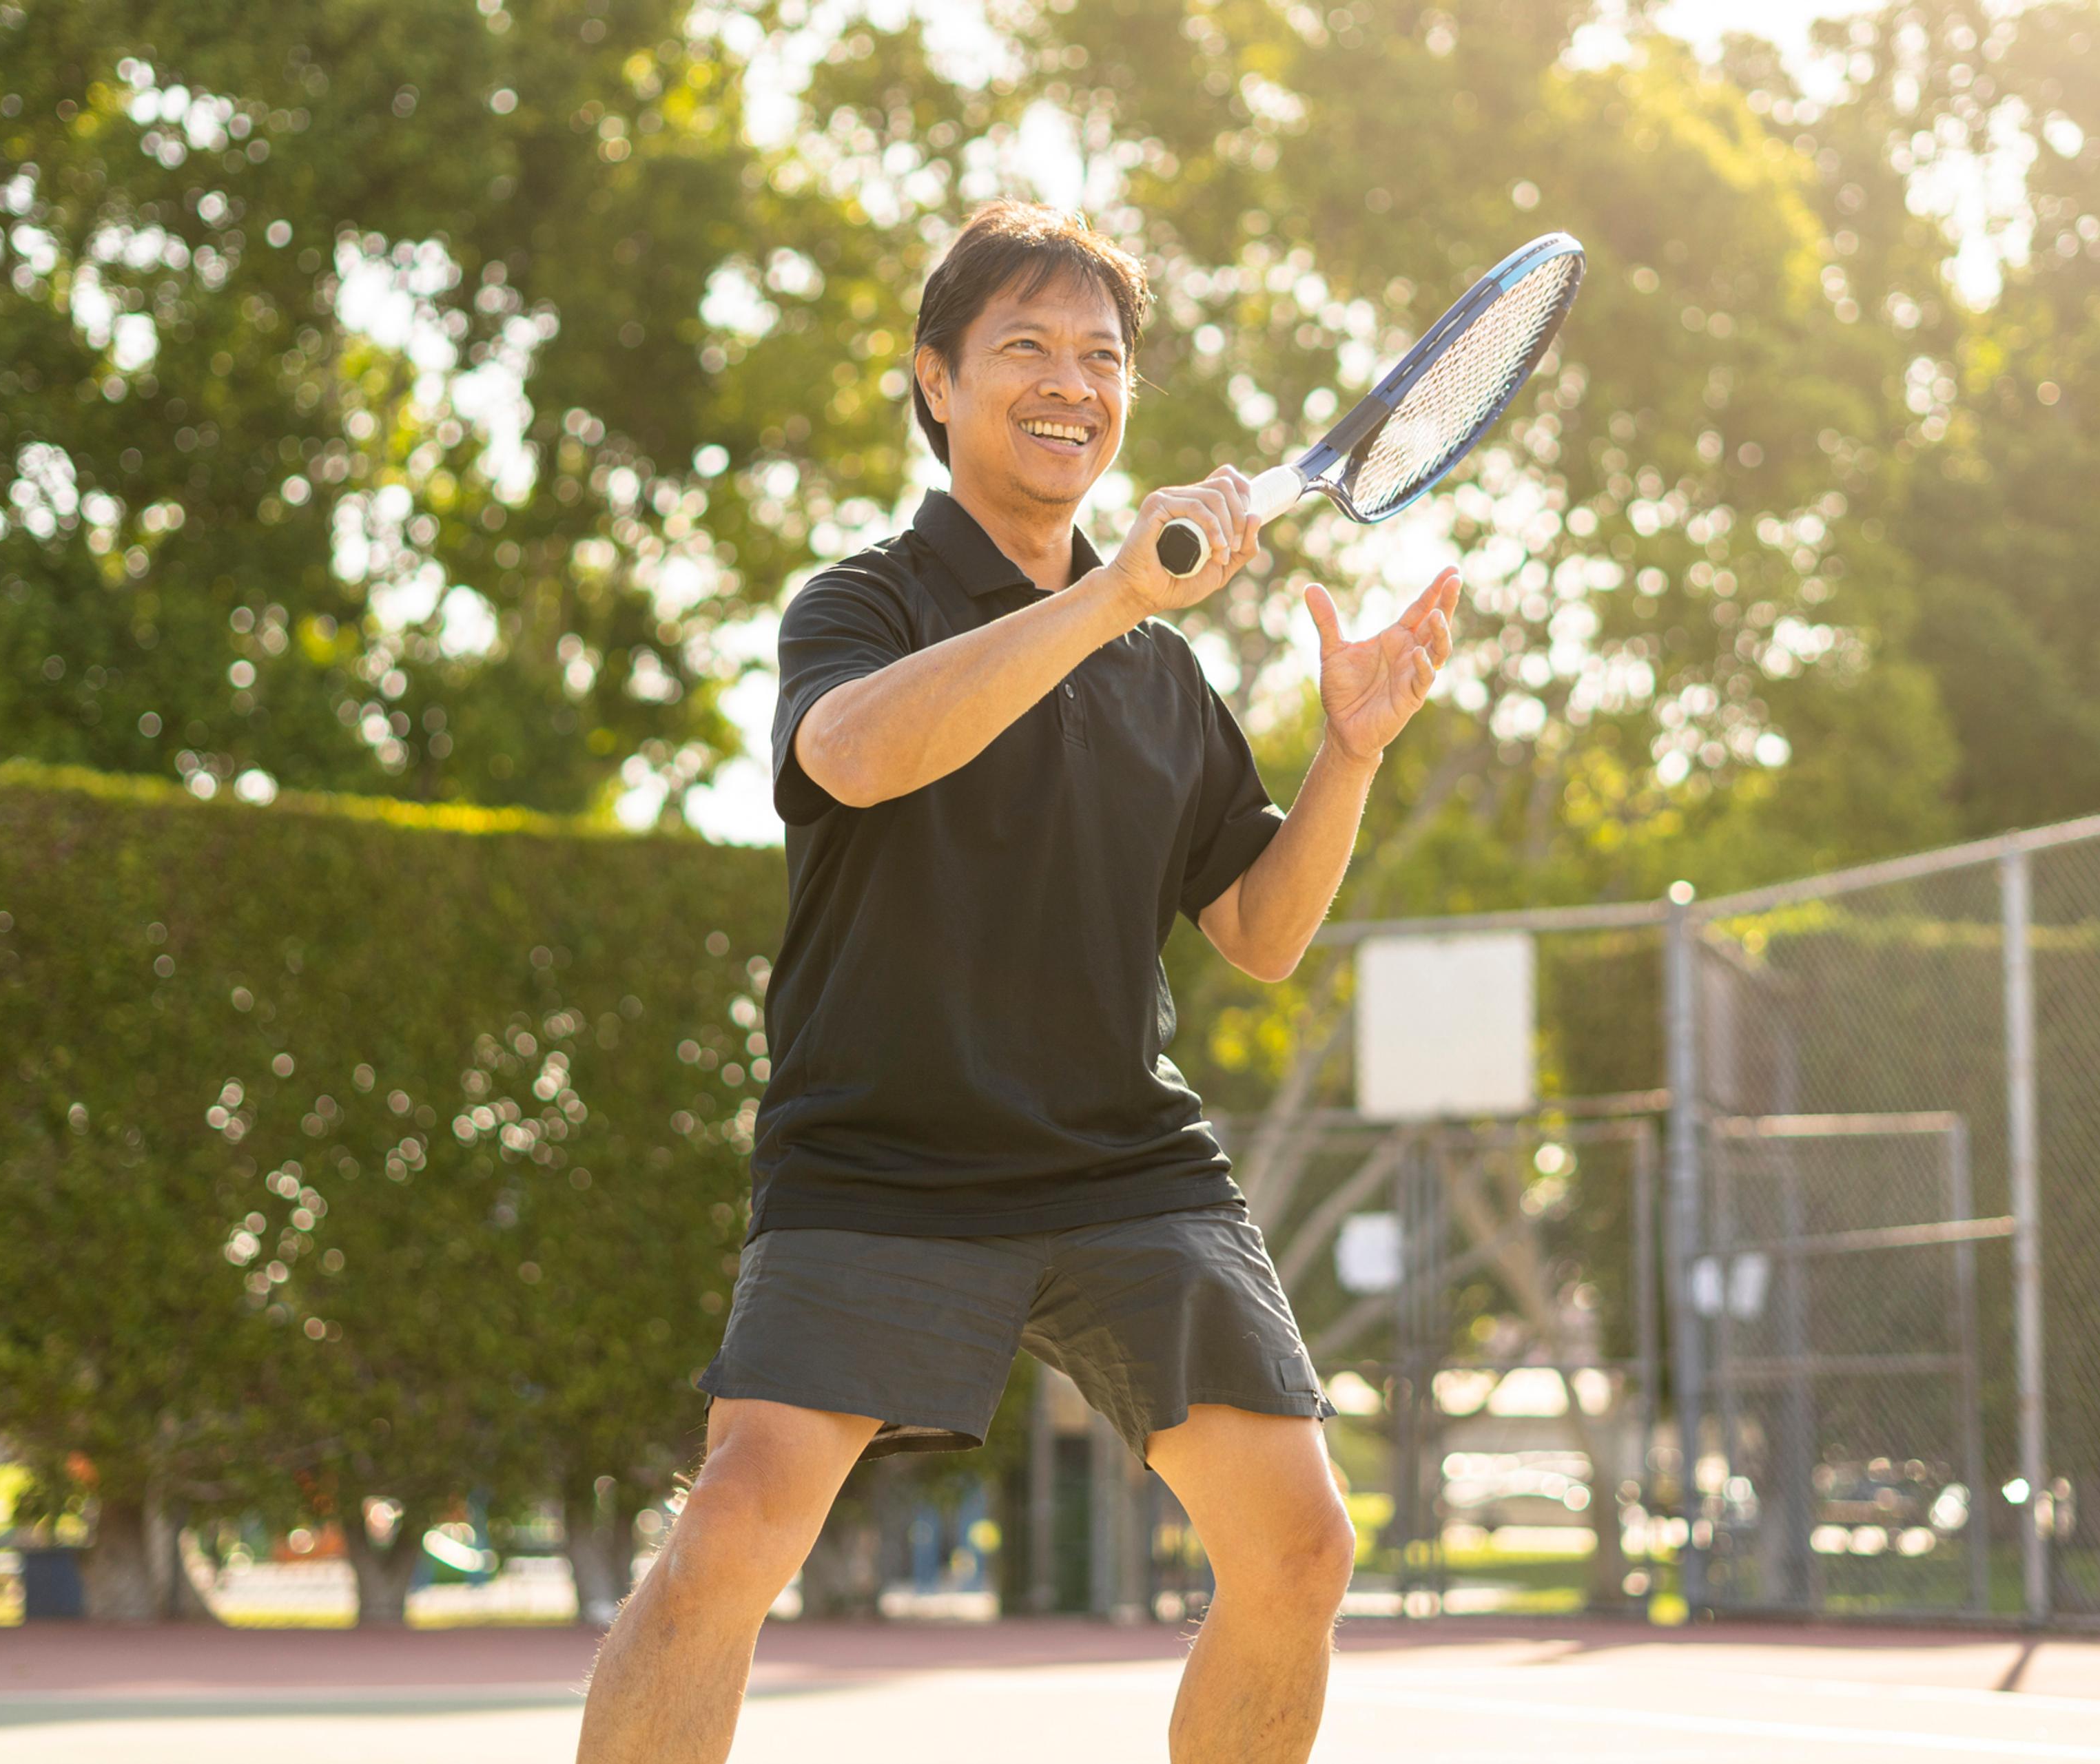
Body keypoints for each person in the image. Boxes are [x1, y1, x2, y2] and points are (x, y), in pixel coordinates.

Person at [575, 200, 1459, 1764]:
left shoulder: (1165, 677)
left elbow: (1259, 931)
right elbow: (849, 755)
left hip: (1125, 1165)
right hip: (882, 1155)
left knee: (1302, 1549)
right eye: (1026, 348)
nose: (1072, 382)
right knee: (727, 1542)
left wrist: (1351, 751)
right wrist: (1114, 590)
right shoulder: (862, 601)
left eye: (1102, 356)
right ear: (936, 380)